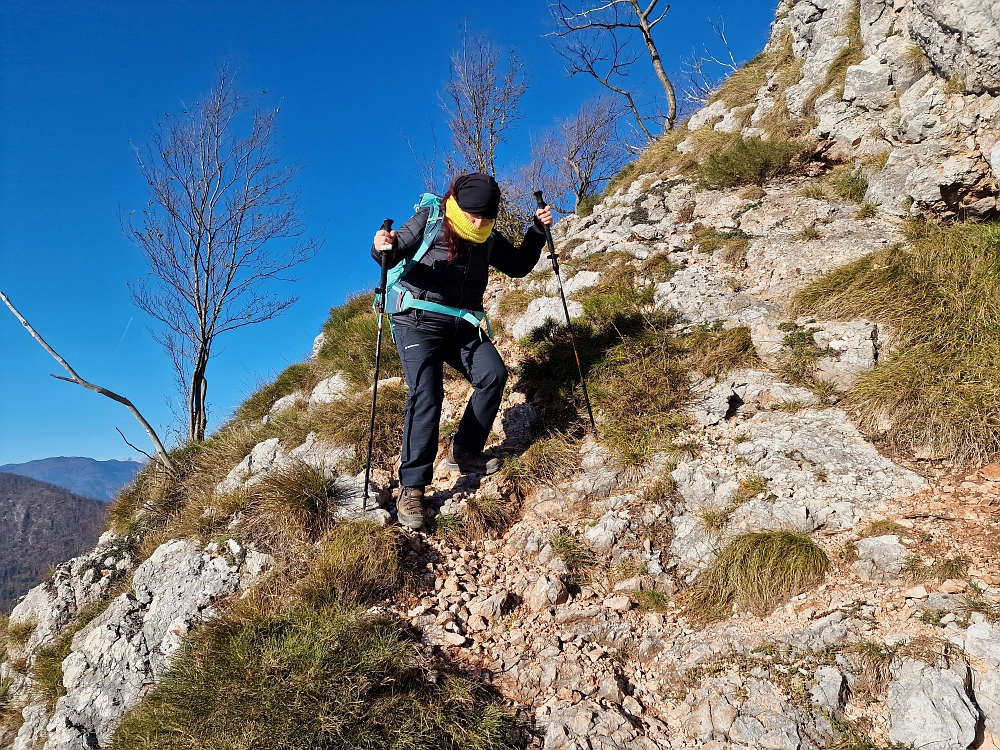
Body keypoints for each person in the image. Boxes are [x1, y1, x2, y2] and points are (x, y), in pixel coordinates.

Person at [372, 172, 555, 530]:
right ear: (456, 203)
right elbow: (392, 253)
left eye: (487, 218)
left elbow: (517, 267)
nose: (478, 223)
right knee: (427, 393)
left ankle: (465, 452)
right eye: (473, 216)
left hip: (462, 324)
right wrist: (381, 245)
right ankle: (412, 488)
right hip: (416, 319)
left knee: (493, 375)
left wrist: (536, 230)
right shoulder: (431, 219)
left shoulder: (486, 237)